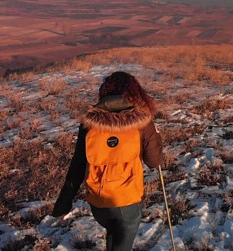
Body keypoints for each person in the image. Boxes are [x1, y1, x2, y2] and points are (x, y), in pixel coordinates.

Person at [53, 71, 162, 251]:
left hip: (98, 202)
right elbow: (154, 162)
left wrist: (63, 203)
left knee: (113, 234)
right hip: (128, 201)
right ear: (134, 92)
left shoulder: (89, 123)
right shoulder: (142, 120)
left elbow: (78, 164)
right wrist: (155, 137)